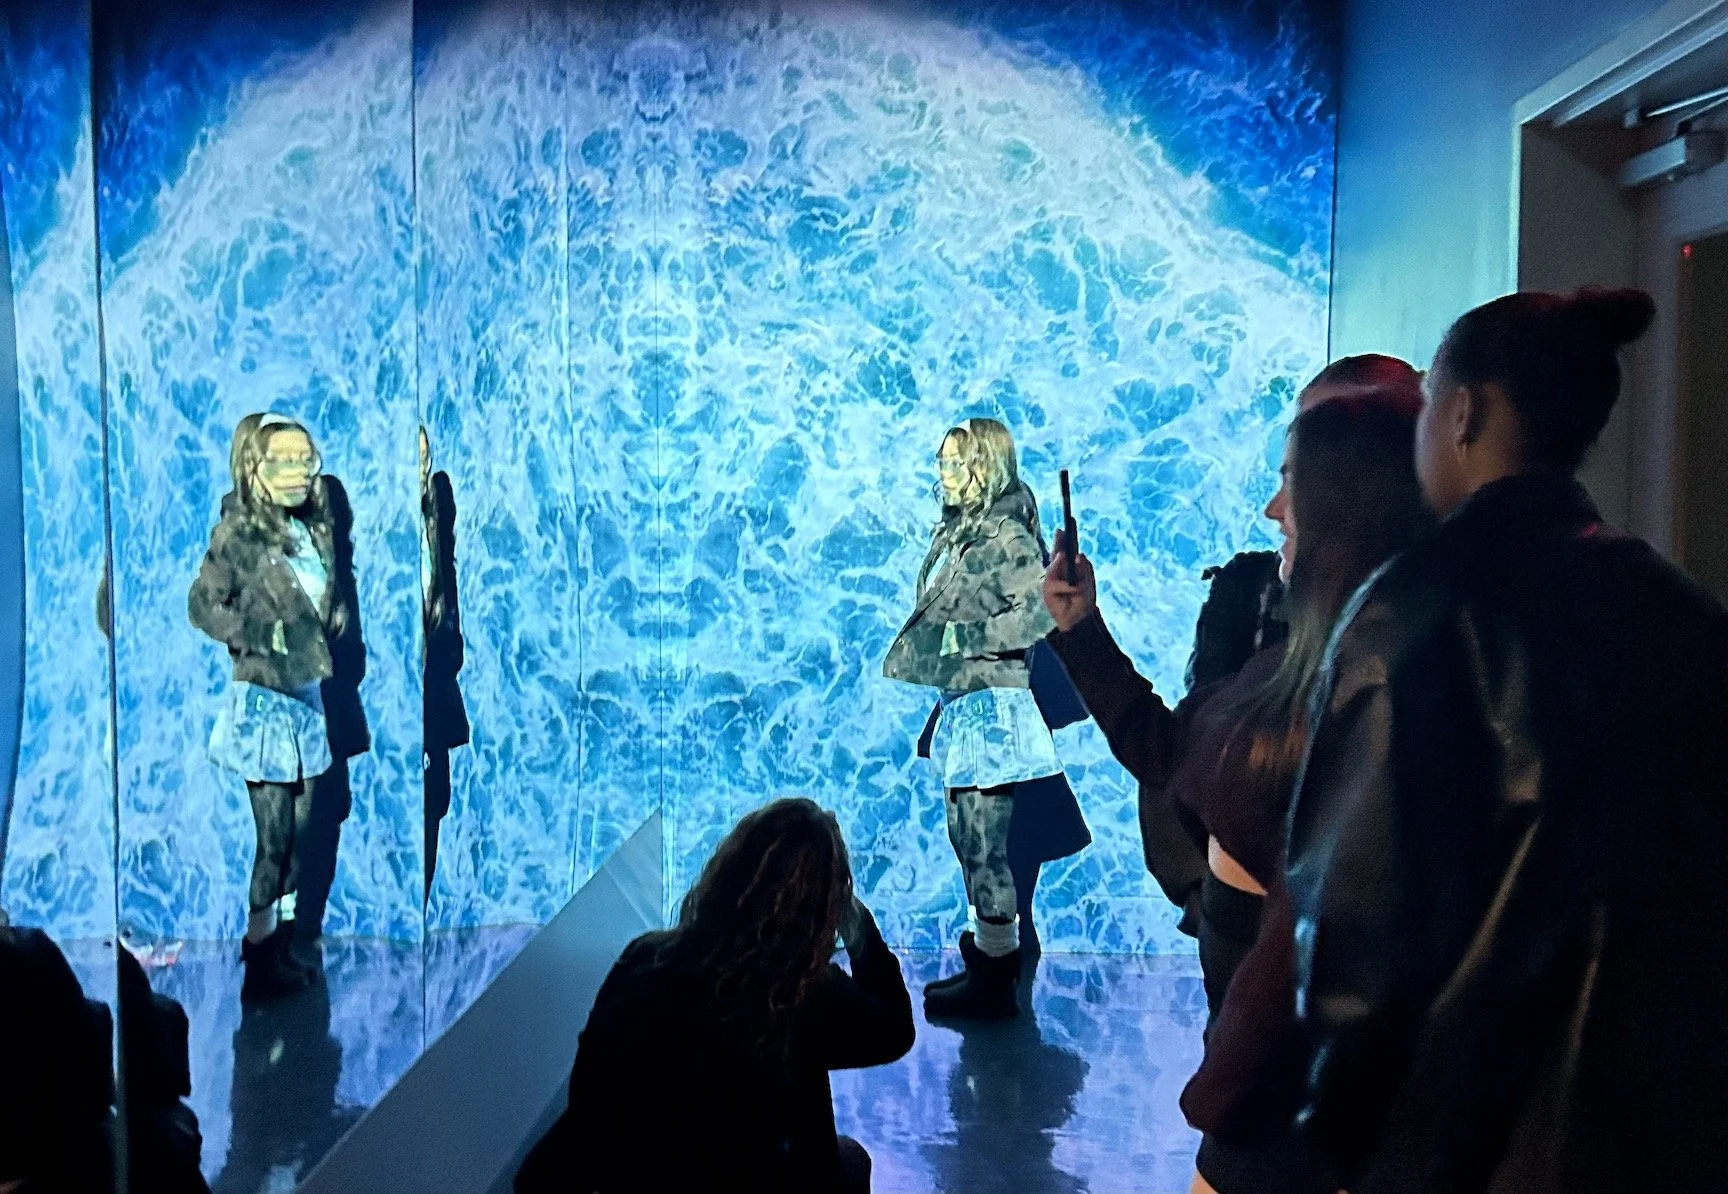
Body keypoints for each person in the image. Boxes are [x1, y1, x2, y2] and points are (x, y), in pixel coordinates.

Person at [1285, 288, 1728, 1193]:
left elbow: (1360, 925)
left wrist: (1336, 1131)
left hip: (1466, 1141)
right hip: (1665, 1128)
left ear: (1463, 414)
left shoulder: (1416, 606)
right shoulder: (1679, 606)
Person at [1044, 383, 1430, 1194]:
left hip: (1295, 1126)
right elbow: (1168, 748)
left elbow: (1297, 958)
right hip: (1306, 1119)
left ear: (1342, 504)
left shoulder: (1349, 697)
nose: (1272, 509)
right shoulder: (1318, 669)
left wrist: (1221, 1101)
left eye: (1290, 481)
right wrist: (1081, 629)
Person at [515, 798, 914, 1194]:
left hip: (622, 1177)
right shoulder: (807, 995)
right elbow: (895, 1030)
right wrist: (859, 929)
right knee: (852, 1160)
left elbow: (588, 1087)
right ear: (823, 907)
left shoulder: (646, 956)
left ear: (727, 873)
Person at [1161, 355, 1426, 933]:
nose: (1275, 508)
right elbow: (1181, 752)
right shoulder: (1250, 596)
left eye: (1300, 475)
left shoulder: (1403, 668)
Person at [882, 417, 1078, 1019]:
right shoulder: (967, 533)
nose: (945, 473)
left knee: (987, 846)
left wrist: (967, 638)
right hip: (969, 704)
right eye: (942, 462)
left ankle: (995, 978)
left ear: (984, 467)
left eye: (956, 462)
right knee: (968, 837)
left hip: (994, 707)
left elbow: (1041, 611)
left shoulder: (1005, 536)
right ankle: (986, 963)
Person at [189, 412, 343, 1000]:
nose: (302, 471)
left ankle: (281, 947)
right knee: (273, 843)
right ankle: (258, 961)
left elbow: (320, 600)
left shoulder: (311, 528)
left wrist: (330, 620)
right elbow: (203, 607)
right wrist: (262, 635)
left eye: (307, 459)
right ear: (254, 467)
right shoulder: (236, 535)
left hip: (306, 698)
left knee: (300, 842)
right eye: (286, 461)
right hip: (264, 702)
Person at [419, 426, 470, 901]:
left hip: (433, 691)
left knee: (435, 801)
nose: (419, 469)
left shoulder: (436, 511)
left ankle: (423, 899)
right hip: (395, 698)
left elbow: (447, 587)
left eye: (424, 458)